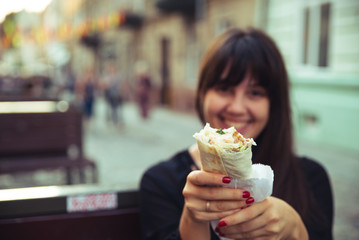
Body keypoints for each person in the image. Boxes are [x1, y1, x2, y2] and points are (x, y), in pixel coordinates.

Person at [139, 28, 333, 240]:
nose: (237, 108)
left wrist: (295, 229)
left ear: (274, 104)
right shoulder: (160, 182)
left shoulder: (310, 178)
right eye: (224, 88)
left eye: (255, 92)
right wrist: (194, 220)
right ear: (202, 93)